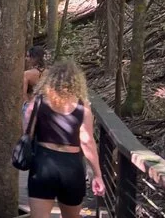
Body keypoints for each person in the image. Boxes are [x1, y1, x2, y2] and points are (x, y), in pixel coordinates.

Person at [24, 60, 105, 218]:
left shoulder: (37, 102)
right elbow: (87, 142)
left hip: (43, 165)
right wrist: (97, 175)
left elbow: (27, 132)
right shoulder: (82, 106)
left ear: (50, 79)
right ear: (76, 82)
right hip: (72, 167)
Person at [23, 46, 46, 116]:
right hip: (46, 107)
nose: (26, 59)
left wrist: (28, 106)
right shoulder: (50, 73)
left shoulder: (27, 74)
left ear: (34, 58)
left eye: (28, 56)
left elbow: (23, 94)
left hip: (32, 106)